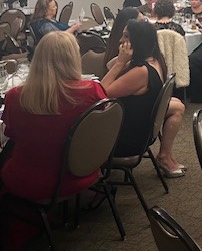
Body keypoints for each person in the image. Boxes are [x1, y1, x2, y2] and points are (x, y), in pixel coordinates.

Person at [0, 32, 107, 201]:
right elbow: (102, 131)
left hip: (27, 179)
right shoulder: (93, 91)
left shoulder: (15, 96)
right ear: (74, 58)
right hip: (80, 172)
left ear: (38, 58)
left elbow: (10, 135)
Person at [101, 20, 185, 177]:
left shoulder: (141, 71)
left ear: (138, 40)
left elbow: (100, 93)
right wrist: (122, 59)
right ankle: (166, 156)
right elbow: (109, 65)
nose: (121, 40)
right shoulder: (156, 59)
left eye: (126, 36)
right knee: (178, 106)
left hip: (125, 141)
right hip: (141, 131)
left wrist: (120, 63)